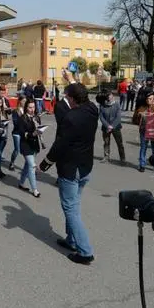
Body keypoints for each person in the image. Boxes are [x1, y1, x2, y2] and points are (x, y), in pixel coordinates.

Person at [39, 83, 98, 265]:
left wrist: (44, 164)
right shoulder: (92, 108)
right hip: (85, 166)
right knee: (75, 205)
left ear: (72, 98)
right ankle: (71, 240)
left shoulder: (71, 117)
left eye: (68, 97)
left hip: (71, 170)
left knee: (71, 210)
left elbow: (60, 145)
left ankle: (85, 251)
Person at [16, 99, 42, 197]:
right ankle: (35, 189)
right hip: (26, 145)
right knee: (32, 166)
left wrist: (40, 130)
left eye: (33, 107)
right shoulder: (22, 118)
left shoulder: (37, 117)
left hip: (34, 144)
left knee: (27, 165)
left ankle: (21, 183)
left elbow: (39, 128)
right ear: (26, 107)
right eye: (30, 107)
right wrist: (33, 133)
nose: (32, 109)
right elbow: (22, 133)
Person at [133, 92, 154, 173]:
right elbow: (134, 120)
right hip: (144, 132)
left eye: (153, 98)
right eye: (150, 99)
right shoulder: (141, 108)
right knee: (143, 148)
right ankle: (142, 165)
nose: (152, 100)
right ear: (146, 100)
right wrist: (140, 116)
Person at [98, 91, 125, 164]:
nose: (109, 97)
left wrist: (112, 126)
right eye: (107, 96)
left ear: (112, 95)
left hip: (116, 127)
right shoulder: (102, 105)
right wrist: (107, 126)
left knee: (119, 143)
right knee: (106, 142)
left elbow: (118, 117)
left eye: (110, 95)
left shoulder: (117, 104)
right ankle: (106, 157)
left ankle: (122, 158)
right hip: (106, 127)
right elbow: (101, 117)